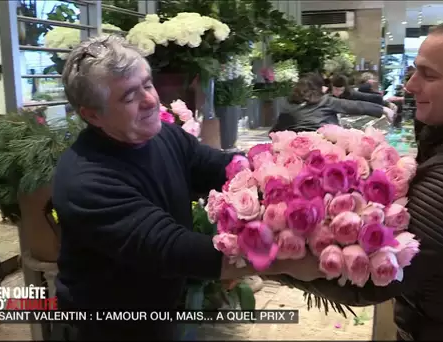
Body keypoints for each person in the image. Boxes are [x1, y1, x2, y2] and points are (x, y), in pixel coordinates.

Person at [273, 20, 443, 340]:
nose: (410, 85)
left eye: (429, 75)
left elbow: (372, 281)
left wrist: (265, 260)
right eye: (414, 70)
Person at [52, 35, 305, 340]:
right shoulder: (87, 181)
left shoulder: (163, 137)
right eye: (129, 96)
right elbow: (173, 249)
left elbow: (221, 167)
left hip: (157, 309)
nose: (150, 100)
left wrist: (290, 167)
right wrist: (294, 261)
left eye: (147, 84)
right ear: (92, 114)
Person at [270, 73, 394, 133]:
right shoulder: (326, 100)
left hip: (297, 147)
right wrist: (383, 109)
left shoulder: (288, 105)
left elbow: (275, 131)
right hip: (327, 144)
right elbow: (355, 106)